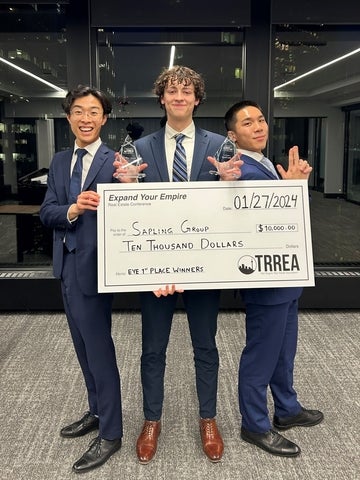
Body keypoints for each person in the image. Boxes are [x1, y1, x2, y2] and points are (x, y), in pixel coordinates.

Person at [114, 65, 241, 464]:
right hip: (156, 269)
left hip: (204, 267)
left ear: (197, 98)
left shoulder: (221, 146)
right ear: (162, 98)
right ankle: (152, 420)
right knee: (153, 348)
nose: (179, 97)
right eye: (172, 91)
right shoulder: (140, 148)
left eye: (187, 91)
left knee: (206, 345)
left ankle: (208, 417)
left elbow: (232, 210)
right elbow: (133, 210)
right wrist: (128, 186)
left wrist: (229, 183)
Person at [219, 100, 324, 457]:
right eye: (248, 123)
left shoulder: (264, 163)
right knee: (261, 355)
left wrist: (295, 186)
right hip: (265, 280)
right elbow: (254, 225)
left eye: (261, 119)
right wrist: (289, 190)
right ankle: (255, 424)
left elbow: (288, 222)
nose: (258, 126)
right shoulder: (239, 171)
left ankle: (287, 409)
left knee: (284, 351)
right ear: (233, 135)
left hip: (287, 276)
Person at [40, 85, 123, 473]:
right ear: (68, 117)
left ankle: (111, 431)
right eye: (78, 111)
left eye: (93, 111)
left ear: (104, 118)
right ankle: (95, 409)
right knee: (81, 346)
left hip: (98, 266)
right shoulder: (59, 161)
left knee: (98, 347)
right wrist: (72, 208)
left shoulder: (116, 160)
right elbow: (47, 212)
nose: (85, 118)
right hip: (65, 266)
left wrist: (130, 186)